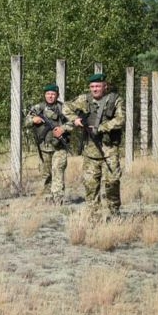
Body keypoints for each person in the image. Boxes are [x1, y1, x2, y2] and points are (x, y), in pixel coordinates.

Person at [63, 73, 125, 220]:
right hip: (90, 150)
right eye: (92, 86)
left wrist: (102, 128)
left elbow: (120, 119)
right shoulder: (84, 99)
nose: (95, 89)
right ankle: (93, 216)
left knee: (112, 182)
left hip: (109, 149)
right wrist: (76, 120)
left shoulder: (115, 100)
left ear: (105, 86)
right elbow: (66, 107)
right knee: (90, 185)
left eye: (98, 86)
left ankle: (114, 213)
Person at [25, 83, 73, 206]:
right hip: (44, 146)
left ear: (57, 95)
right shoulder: (38, 107)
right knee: (46, 174)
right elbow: (26, 121)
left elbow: (73, 122)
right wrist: (33, 120)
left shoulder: (64, 108)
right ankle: (47, 198)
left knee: (57, 170)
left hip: (59, 146)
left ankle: (58, 199)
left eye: (53, 94)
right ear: (44, 95)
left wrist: (62, 129)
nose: (50, 96)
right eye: (48, 94)